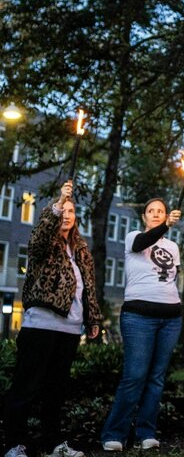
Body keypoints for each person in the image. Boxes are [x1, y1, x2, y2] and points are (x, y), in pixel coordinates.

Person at [3, 181, 101, 457]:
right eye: (62, 211)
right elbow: (39, 237)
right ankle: (14, 445)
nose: (67, 215)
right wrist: (58, 202)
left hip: (70, 329)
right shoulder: (44, 242)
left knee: (56, 390)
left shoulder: (80, 249)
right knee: (26, 387)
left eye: (71, 211)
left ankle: (54, 444)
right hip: (41, 325)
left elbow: (88, 287)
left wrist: (93, 318)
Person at [100, 198, 184, 451]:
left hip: (170, 318)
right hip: (138, 317)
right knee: (135, 376)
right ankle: (114, 434)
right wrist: (166, 226)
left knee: (156, 378)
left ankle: (146, 433)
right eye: (151, 211)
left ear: (166, 215)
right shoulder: (133, 237)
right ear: (144, 216)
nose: (156, 214)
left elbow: (171, 277)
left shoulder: (172, 246)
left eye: (161, 211)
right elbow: (143, 243)